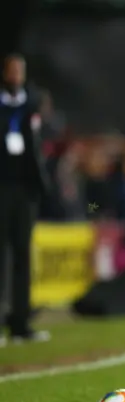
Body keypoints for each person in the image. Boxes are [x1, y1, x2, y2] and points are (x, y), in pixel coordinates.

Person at [0, 54, 50, 346]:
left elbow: (35, 146)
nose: (16, 76)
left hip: (25, 190)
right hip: (1, 187)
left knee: (22, 255)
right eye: (12, 71)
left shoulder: (30, 104)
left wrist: (41, 186)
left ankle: (20, 323)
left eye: (20, 71)